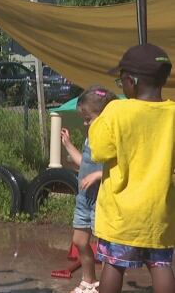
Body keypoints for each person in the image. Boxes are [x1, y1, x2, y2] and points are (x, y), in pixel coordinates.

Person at [88, 44, 175, 293]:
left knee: (113, 266)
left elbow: (99, 150)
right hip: (159, 214)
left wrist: (97, 122)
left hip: (122, 215)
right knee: (161, 266)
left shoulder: (117, 111)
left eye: (121, 81)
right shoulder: (173, 113)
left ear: (131, 81)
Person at [60, 86, 117, 293]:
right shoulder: (89, 138)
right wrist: (68, 145)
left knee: (105, 247)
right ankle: (89, 280)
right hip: (84, 199)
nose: (85, 123)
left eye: (88, 119)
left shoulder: (110, 140)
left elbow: (120, 168)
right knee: (79, 241)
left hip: (102, 200)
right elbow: (82, 163)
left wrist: (97, 175)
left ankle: (106, 283)